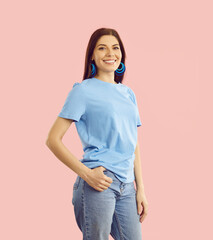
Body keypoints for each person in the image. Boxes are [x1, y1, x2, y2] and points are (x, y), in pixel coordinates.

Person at [46, 28, 148, 240]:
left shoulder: (128, 93)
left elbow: (133, 142)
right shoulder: (83, 91)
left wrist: (141, 189)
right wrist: (87, 174)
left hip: (127, 185)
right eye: (102, 48)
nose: (110, 53)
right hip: (100, 181)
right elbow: (53, 140)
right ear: (92, 54)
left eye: (115, 47)